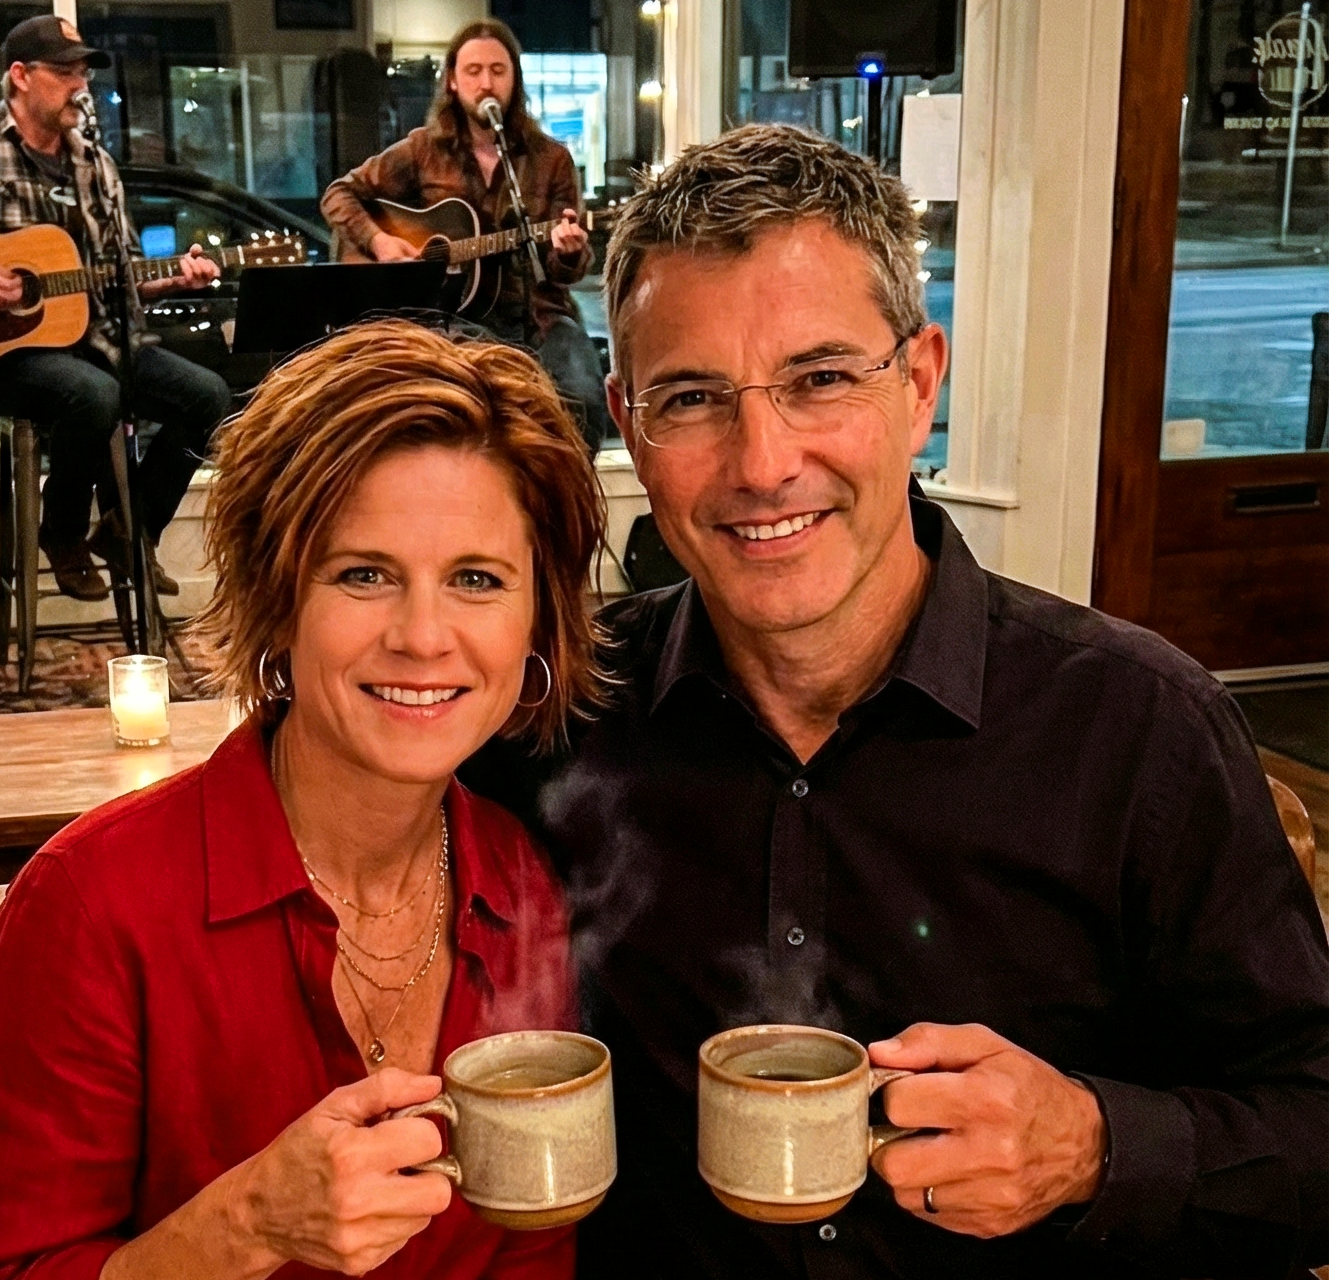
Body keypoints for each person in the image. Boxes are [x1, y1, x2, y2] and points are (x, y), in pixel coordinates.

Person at [462, 124, 1329, 1278]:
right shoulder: (551, 710)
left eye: (820, 378)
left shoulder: (1137, 728)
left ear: (920, 384)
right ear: (628, 425)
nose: (761, 461)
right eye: (692, 398)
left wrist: (1092, 1145)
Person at [0, 318, 607, 1280]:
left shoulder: (522, 885)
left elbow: (533, 1252)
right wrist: (242, 1228)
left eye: (476, 580)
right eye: (363, 574)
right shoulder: (93, 906)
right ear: (277, 598)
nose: (425, 636)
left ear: (537, 618)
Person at [0, 15, 231, 601]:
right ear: (20, 77)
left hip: (93, 339)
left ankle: (131, 532)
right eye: (63, 72)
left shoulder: (94, 167)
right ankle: (64, 534)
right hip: (0, 353)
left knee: (208, 396)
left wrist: (173, 278)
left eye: (82, 72)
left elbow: (117, 271)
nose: (79, 85)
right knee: (92, 394)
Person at [319, 19, 613, 454]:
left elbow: (560, 273)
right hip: (454, 316)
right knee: (496, 397)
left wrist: (568, 252)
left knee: (585, 405)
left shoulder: (550, 159)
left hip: (540, 314)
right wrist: (380, 241)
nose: (486, 83)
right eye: (473, 71)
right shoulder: (423, 150)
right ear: (453, 82)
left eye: (498, 70)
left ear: (514, 79)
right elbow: (340, 195)